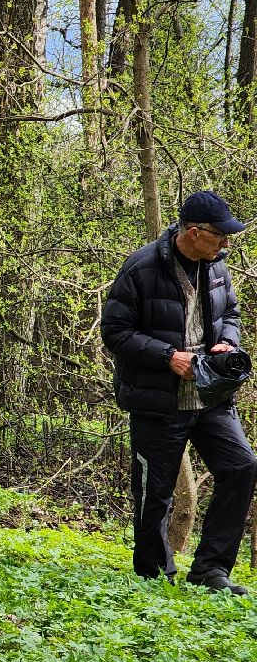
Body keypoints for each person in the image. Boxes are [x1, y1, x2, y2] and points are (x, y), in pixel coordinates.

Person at [101, 190, 256, 595]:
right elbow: (115, 333)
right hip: (158, 400)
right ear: (193, 232)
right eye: (220, 237)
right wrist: (168, 356)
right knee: (155, 491)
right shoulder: (141, 268)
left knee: (241, 467)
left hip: (212, 396)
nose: (226, 244)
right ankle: (154, 575)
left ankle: (210, 570)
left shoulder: (217, 266)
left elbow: (230, 314)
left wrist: (228, 342)